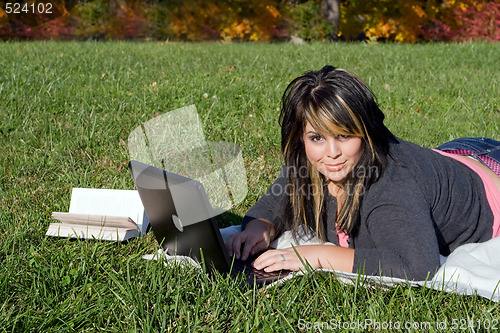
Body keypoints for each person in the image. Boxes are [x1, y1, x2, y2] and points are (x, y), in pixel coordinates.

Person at [225, 65, 500, 280]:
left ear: (366, 133)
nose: (331, 152)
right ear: (301, 138)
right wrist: (260, 227)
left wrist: (319, 255)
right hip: (457, 153)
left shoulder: (390, 186)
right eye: (316, 138)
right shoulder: (312, 162)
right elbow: (281, 195)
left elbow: (418, 266)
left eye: (343, 136)